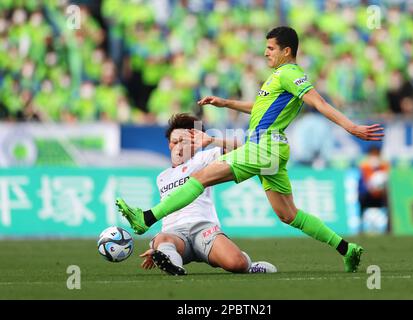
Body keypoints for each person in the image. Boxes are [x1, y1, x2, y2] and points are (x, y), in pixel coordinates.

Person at [117, 26, 384, 273]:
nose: (265, 52)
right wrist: (225, 103)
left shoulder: (291, 73)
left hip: (264, 146)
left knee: (200, 177)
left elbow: (319, 102)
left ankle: (146, 218)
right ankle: (347, 249)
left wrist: (351, 127)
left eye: (271, 48)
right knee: (289, 215)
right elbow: (258, 107)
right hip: (271, 150)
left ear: (286, 51)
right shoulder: (277, 78)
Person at [138, 113, 277, 275]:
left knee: (236, 263)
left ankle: (249, 265)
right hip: (174, 234)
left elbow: (242, 148)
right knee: (162, 238)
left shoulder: (204, 158)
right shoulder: (161, 177)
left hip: (203, 228)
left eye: (184, 141)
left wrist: (211, 140)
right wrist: (157, 249)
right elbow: (167, 211)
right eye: (174, 142)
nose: (179, 146)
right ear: (169, 145)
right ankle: (172, 264)